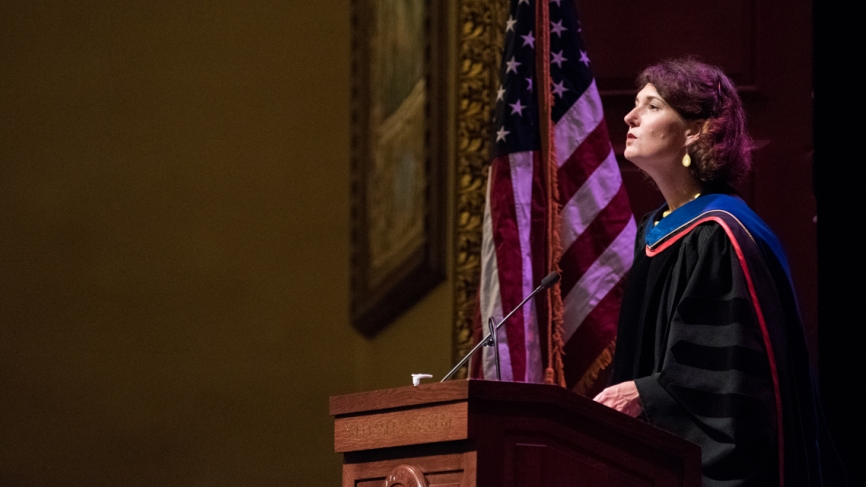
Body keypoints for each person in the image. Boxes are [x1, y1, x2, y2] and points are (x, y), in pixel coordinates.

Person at [592, 58, 841, 486]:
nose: (630, 116)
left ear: (697, 129)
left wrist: (649, 394)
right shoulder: (657, 230)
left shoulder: (722, 233)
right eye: (635, 104)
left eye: (651, 106)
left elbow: (732, 382)